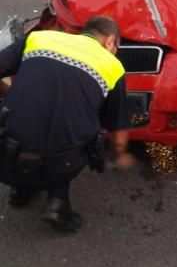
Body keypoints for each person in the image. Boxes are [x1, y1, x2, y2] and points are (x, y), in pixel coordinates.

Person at [0, 16, 133, 232]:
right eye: (117, 46)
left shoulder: (38, 38)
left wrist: (7, 95)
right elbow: (118, 131)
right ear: (110, 40)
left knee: (30, 121)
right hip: (59, 164)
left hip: (4, 155)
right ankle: (58, 204)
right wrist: (119, 154)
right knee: (77, 131)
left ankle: (20, 191)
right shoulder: (112, 66)